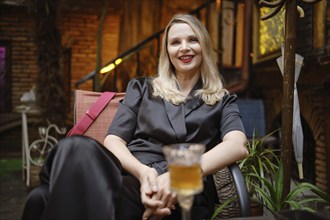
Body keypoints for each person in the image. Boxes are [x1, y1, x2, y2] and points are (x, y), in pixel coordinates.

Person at [22, 14, 248, 220]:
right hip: (131, 172)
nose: (184, 48)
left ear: (204, 46)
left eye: (192, 40)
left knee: (41, 199)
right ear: (167, 51)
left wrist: (181, 175)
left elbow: (237, 145)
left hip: (182, 188)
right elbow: (114, 140)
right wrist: (143, 173)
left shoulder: (221, 99)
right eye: (175, 42)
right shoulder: (142, 88)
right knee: (74, 147)